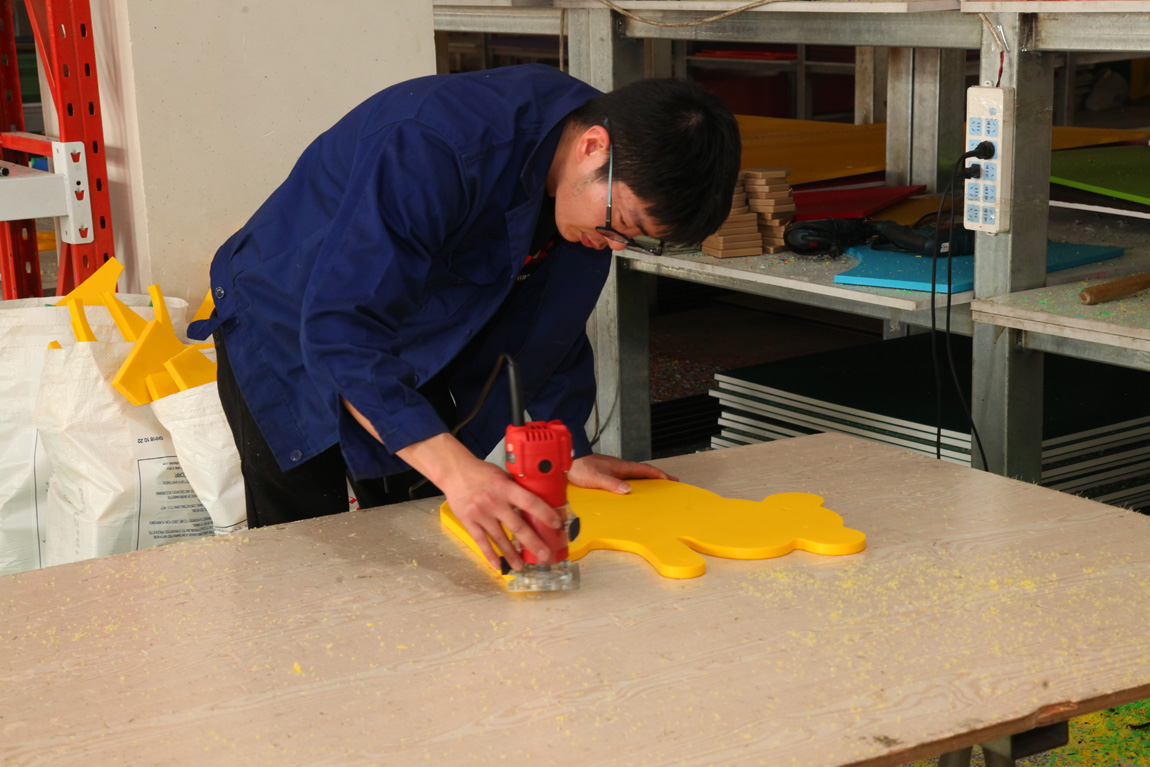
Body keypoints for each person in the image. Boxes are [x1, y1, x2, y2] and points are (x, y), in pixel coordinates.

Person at [188, 63, 741, 572]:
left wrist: (567, 450)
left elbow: (548, 322)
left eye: (637, 238)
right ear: (594, 147)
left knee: (423, 526)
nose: (617, 243)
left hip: (411, 323)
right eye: (623, 222)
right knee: (302, 548)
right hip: (286, 313)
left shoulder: (598, 168)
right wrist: (457, 471)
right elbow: (341, 332)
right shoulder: (435, 146)